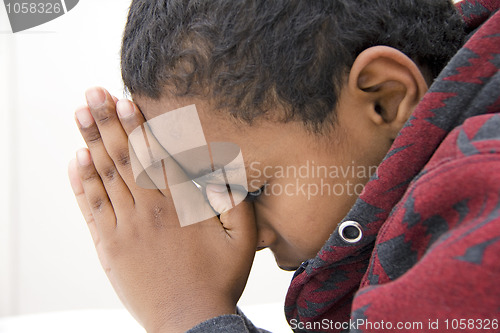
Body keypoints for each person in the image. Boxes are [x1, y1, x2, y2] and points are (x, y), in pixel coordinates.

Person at [68, 0, 500, 331]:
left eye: (250, 190)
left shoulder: (484, 202)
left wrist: (186, 311)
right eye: (209, 191)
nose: (246, 236)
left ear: (385, 100)